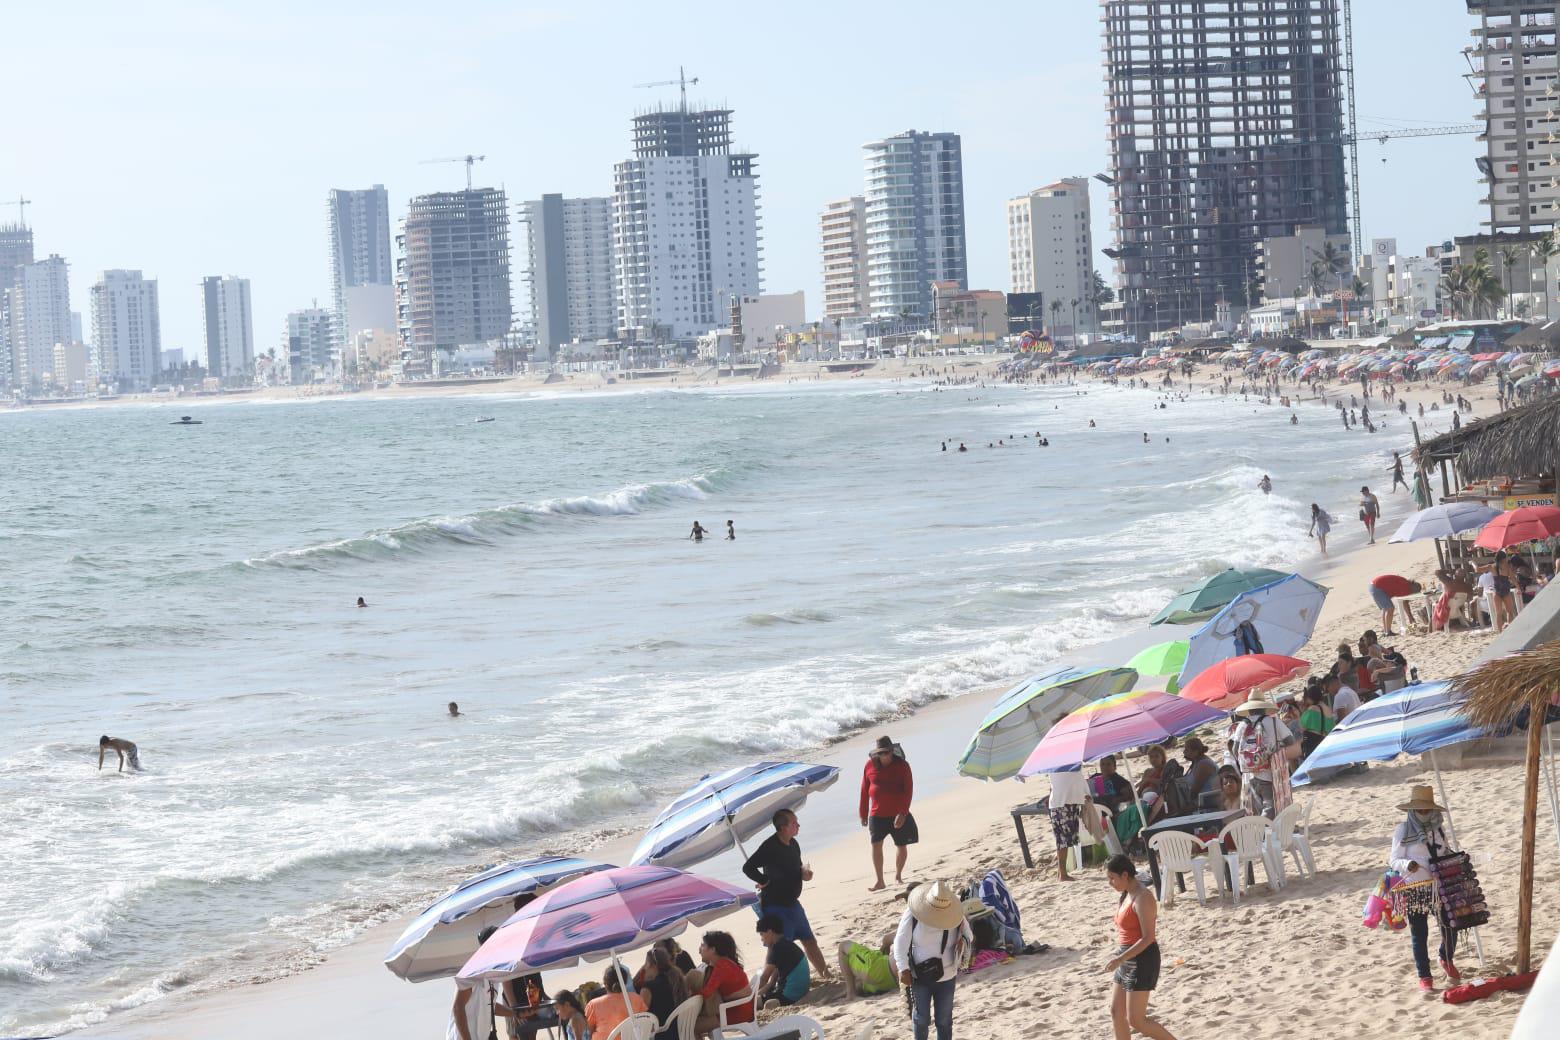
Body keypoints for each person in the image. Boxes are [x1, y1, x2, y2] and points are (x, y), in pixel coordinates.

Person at [741, 809, 831, 981]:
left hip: (793, 903)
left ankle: (825, 974)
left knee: (809, 940)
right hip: (775, 906)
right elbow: (748, 867)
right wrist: (763, 879)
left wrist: (805, 873)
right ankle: (767, 985)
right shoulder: (770, 846)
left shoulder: (794, 844)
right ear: (783, 827)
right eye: (794, 823)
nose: (798, 825)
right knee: (778, 948)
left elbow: (797, 867)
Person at [1388, 785, 1461, 994]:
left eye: (1426, 809)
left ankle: (1445, 958)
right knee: (1419, 933)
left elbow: (1445, 850)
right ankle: (1425, 976)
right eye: (1419, 809)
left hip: (1440, 886)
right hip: (1414, 887)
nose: (1423, 813)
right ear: (1412, 810)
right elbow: (1393, 859)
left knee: (1450, 925)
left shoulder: (1439, 827)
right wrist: (1407, 864)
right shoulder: (1403, 829)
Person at [1105, 854, 1179, 1040]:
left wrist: (1121, 958)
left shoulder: (1143, 897)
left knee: (1136, 1021)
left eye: (1112, 878)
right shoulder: (1126, 894)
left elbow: (1148, 938)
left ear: (1124, 875)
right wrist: (1122, 957)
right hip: (1126, 955)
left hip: (1142, 958)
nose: (1110, 883)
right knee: (1116, 1011)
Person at [893, 881, 973, 1040]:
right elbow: (899, 943)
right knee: (921, 1019)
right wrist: (903, 968)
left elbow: (969, 935)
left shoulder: (955, 914)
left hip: (947, 975)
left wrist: (963, 941)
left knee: (944, 1021)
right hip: (919, 975)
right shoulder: (913, 913)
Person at [860, 735, 917, 891]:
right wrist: (863, 812)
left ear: (892, 751)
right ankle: (880, 881)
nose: (884, 756)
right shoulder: (869, 765)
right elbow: (864, 790)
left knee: (901, 845)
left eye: (886, 752)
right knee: (876, 845)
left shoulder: (903, 765)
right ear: (876, 753)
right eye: (881, 753)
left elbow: (908, 791)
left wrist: (903, 812)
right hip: (876, 815)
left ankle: (898, 876)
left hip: (898, 814)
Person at [1228, 694, 1296, 818]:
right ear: (1263, 707)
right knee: (1269, 805)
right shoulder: (1273, 722)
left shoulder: (1241, 725)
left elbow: (1234, 749)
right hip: (1269, 772)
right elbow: (1290, 741)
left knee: (1255, 808)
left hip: (1248, 774)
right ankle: (1266, 832)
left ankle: (1261, 833)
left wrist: (1248, 762)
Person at [449, 926, 517, 1040]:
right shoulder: (472, 972)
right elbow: (458, 1007)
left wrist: (514, 1013)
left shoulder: (493, 974)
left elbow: (489, 1006)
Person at [689, 931, 752, 1036]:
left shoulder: (722, 966)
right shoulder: (724, 963)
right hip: (738, 1009)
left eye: (703, 945)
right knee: (694, 1023)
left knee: (691, 1026)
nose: (699, 950)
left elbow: (707, 992)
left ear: (713, 950)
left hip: (738, 1013)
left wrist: (688, 996)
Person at [755, 913, 810, 1009]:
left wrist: (749, 996)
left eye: (762, 934)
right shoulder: (787, 944)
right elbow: (772, 982)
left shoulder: (777, 949)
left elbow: (764, 979)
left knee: (752, 1004)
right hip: (802, 991)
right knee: (760, 997)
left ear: (770, 932)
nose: (761, 939)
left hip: (789, 996)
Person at [1048, 768, 1091, 881]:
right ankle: (1062, 873)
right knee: (1063, 841)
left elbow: (1077, 776)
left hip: (1071, 800)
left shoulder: (1071, 757)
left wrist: (1086, 792)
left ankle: (1061, 872)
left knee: (1066, 839)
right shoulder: (1054, 760)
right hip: (1061, 802)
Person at [585, 965, 649, 1040]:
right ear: (624, 982)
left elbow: (589, 1031)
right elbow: (645, 1021)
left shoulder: (593, 1004)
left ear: (605, 984)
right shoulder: (636, 998)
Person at [640, 946, 690, 1040]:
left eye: (646, 964)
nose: (644, 968)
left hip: (660, 1035)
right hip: (680, 1032)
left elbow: (642, 1020)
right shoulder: (677, 980)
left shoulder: (648, 988)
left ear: (652, 965)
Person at [836, 928, 898, 1001]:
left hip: (878, 969)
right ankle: (862, 982)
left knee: (843, 945)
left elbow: (887, 939)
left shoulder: (910, 928)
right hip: (892, 983)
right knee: (865, 982)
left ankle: (851, 994)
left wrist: (884, 948)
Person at [1181, 737, 1219, 811]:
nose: (1184, 752)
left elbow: (1195, 791)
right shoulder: (1196, 762)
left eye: (1186, 749)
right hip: (1200, 802)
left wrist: (1185, 804)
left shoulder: (1204, 764)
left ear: (1196, 751)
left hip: (1208, 804)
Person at [1298, 684, 1336, 757]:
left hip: (1317, 747)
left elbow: (1302, 727)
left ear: (1310, 698)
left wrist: (1301, 712)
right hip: (1329, 743)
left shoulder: (1313, 709)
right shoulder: (1327, 708)